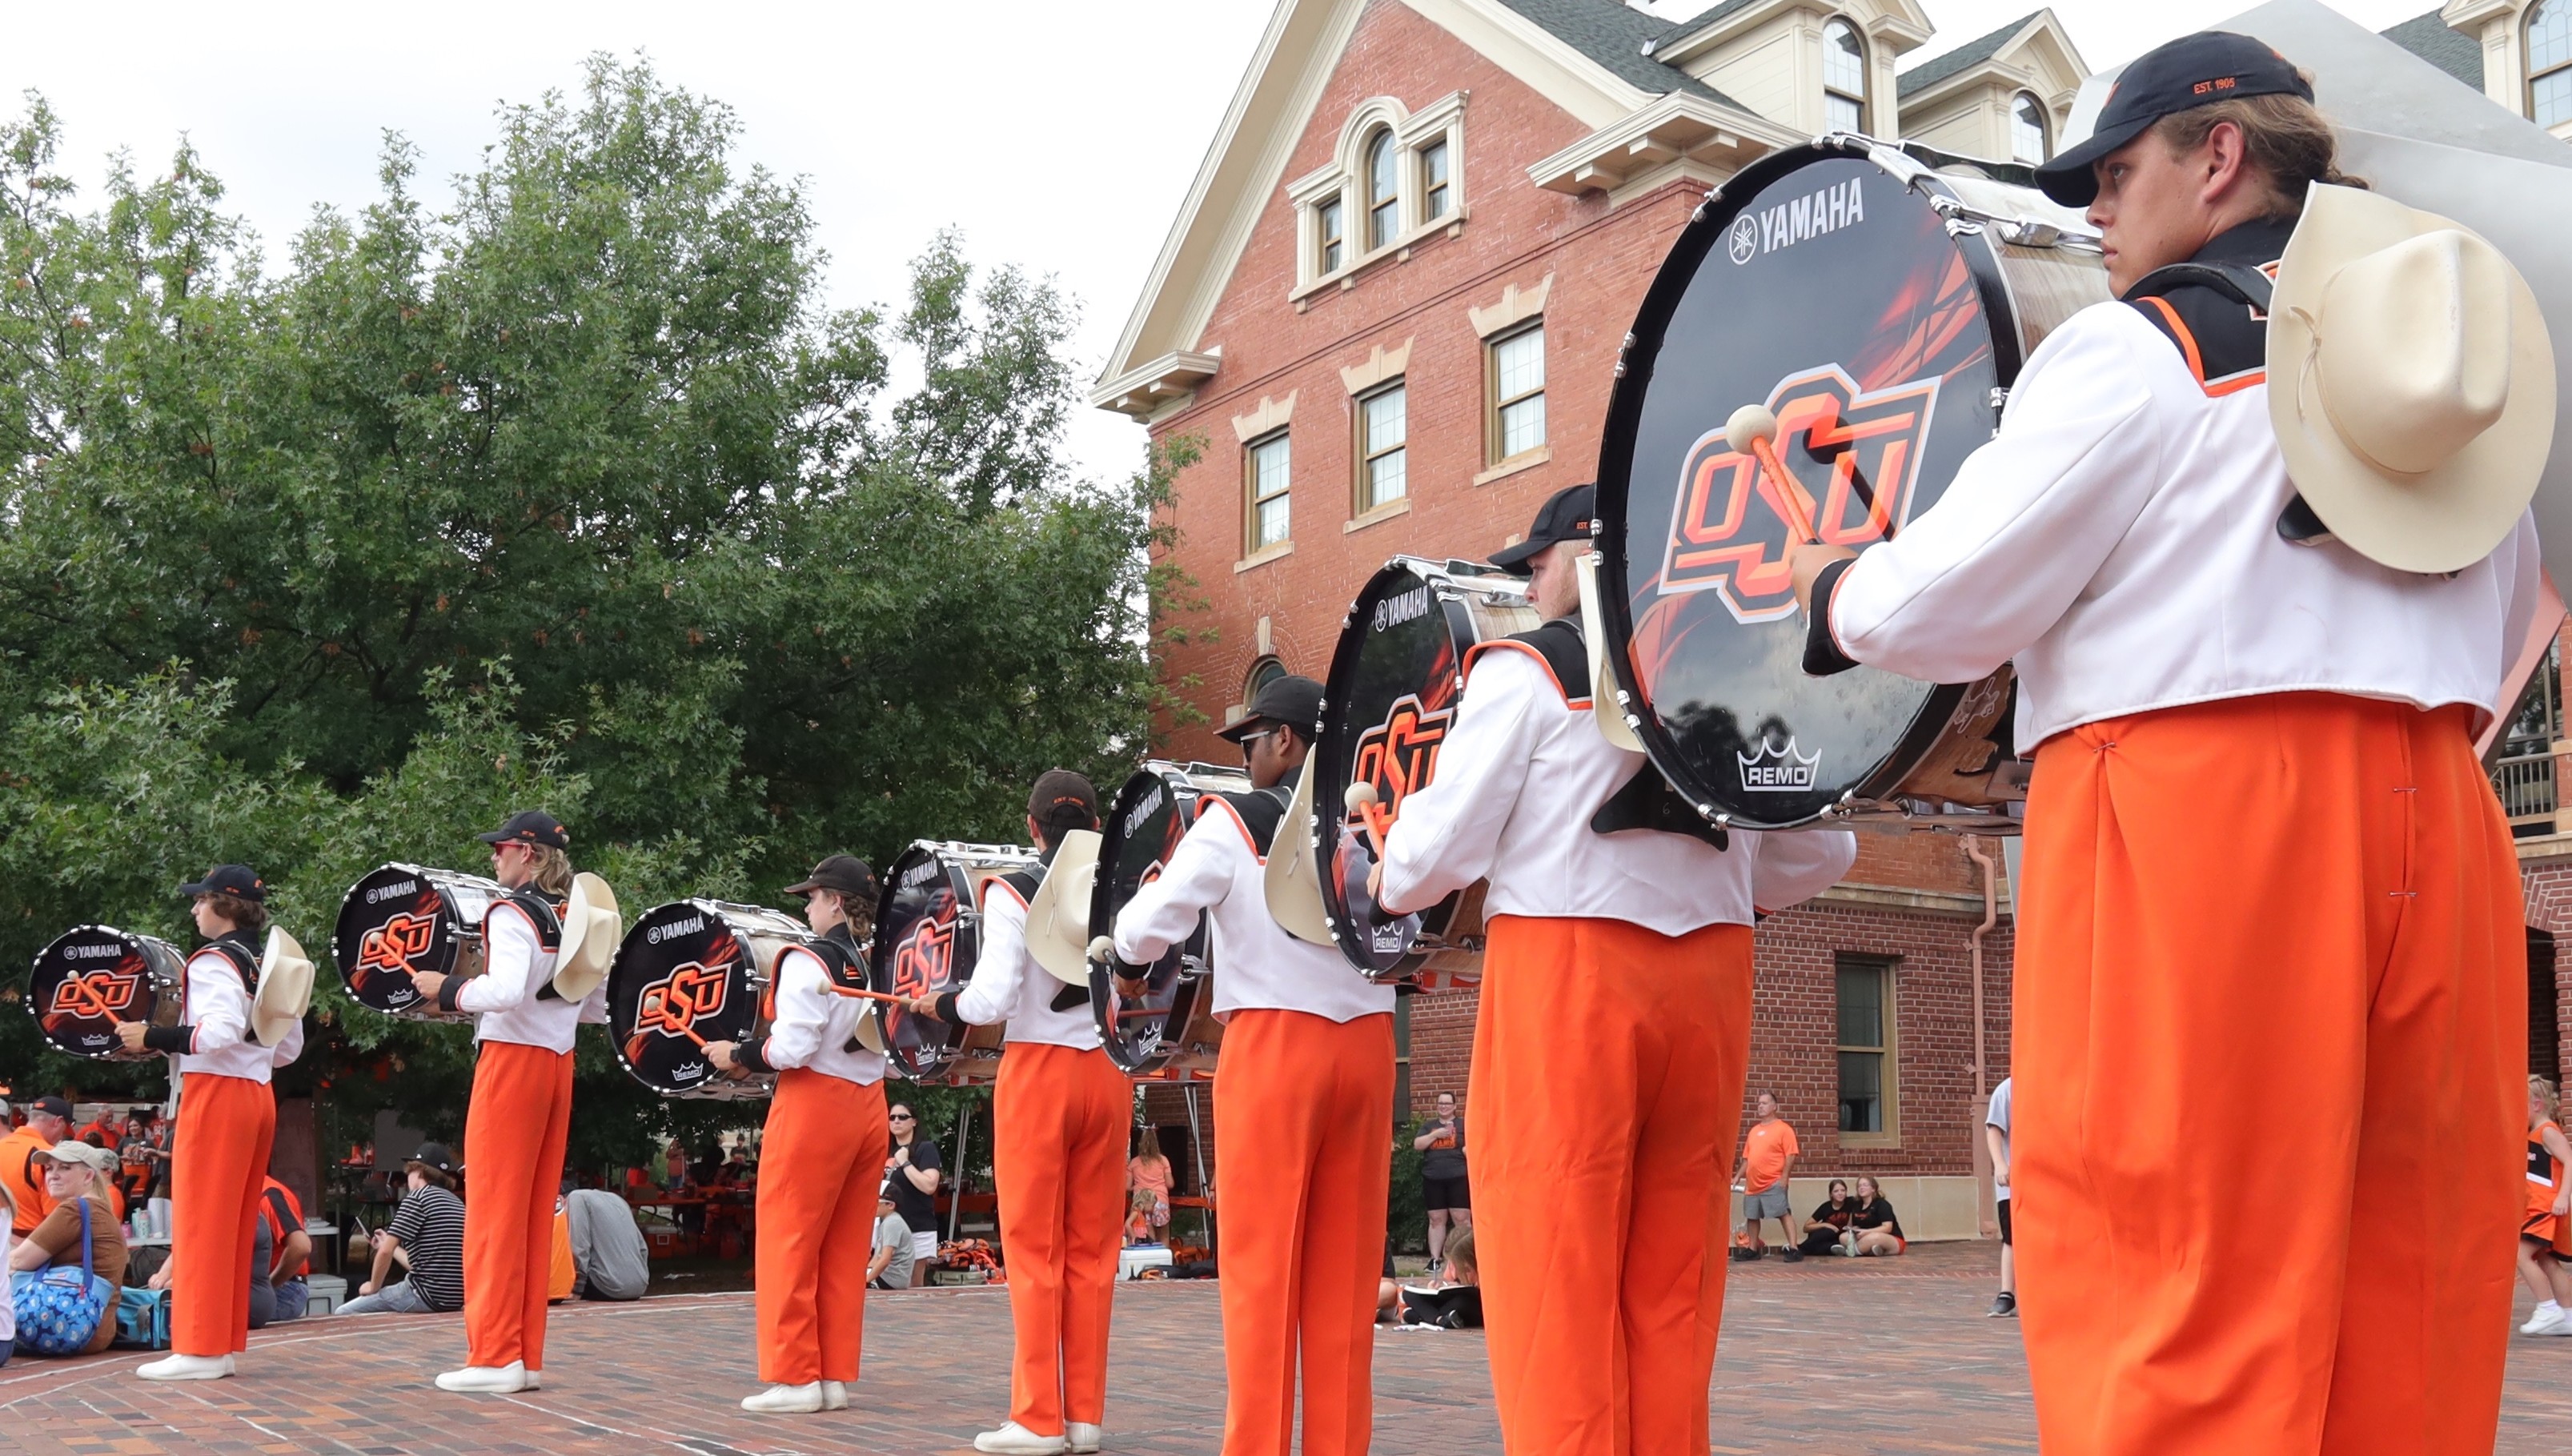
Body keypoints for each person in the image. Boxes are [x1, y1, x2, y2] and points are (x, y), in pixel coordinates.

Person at [1788, 31, 2539, 1454]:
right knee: (2416, 1280)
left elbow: (1944, 600)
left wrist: (1838, 590)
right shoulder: (2454, 367)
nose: (2091, 211)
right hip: (2440, 813)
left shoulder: (2142, 347)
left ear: (2217, 155)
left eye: (2114, 172)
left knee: (2171, 1272)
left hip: (2193, 813)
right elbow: (2508, 610)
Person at [1375, 484, 1855, 1456]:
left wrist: (1378, 852)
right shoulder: (1732, 664)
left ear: (1574, 559)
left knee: (1555, 1277)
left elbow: (1431, 862)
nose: (1529, 583)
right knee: (1674, 1286)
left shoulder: (1530, 668)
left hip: (1569, 972)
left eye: (1534, 564)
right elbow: (1825, 849)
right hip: (1714, 980)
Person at [1114, 673, 1400, 1456]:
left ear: (1289, 741)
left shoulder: (1229, 821)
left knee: (1261, 1279)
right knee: (1345, 1289)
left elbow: (1148, 928)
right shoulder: (1376, 809)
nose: (1244, 760)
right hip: (1372, 1047)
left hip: (1276, 1048)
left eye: (1251, 742)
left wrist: (1122, 936)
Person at [913, 770, 1127, 1456]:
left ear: (1031, 827)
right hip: (1109, 1070)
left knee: (1034, 1251)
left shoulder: (1011, 886)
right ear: (1094, 825)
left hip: (1039, 1069)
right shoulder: (1125, 886)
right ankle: (1085, 1417)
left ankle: (1038, 1416)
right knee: (1095, 1252)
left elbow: (992, 998)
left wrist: (942, 1005)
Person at [406, 811, 607, 1394]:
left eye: (502, 849)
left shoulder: (511, 910)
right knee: (529, 1214)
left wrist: (447, 990)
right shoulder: (570, 916)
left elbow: (504, 990)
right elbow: (593, 1003)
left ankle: (493, 1355)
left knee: (494, 1212)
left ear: (531, 854)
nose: (494, 857)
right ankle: (522, 1354)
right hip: (557, 1062)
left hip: (514, 1060)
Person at [704, 852, 891, 1415]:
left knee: (789, 1238)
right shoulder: (882, 961)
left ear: (835, 901)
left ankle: (793, 1375)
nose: (806, 906)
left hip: (816, 1104)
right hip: (870, 1104)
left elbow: (791, 1048)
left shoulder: (807, 960)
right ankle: (831, 1374)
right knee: (842, 1247)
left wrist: (736, 1053)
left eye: (811, 896)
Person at [117, 865, 298, 1382]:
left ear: (226, 906)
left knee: (200, 1222)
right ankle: (215, 1344)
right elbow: (288, 1048)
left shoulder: (215, 959)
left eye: (201, 901)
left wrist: (154, 1036)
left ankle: (198, 1347)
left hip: (218, 1095)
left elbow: (215, 1032)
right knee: (234, 1224)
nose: (194, 909)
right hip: (258, 1093)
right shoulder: (267, 961)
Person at [7, 1141, 129, 1354]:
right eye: (50, 1168)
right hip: (92, 1329)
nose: (53, 1175)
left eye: (65, 1167)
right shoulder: (100, 1209)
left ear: (89, 1176)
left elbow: (18, 1261)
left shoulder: (74, 1209)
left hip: (67, 1325)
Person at [341, 1144, 468, 1315]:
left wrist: (373, 1286)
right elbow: (420, 1265)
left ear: (419, 1172)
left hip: (422, 1294)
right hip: (454, 1298)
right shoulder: (457, 1203)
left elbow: (386, 1252)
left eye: (409, 1172)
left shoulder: (417, 1198)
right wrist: (385, 1243)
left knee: (344, 1312)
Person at [2520, 1077, 2572, 1335]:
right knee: (2548, 1260)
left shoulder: (2548, 1131)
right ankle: (2568, 1316)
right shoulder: (2533, 1134)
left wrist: (2563, 1196)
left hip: (2545, 1207)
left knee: (2520, 1254)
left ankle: (2547, 1307)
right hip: (2539, 1205)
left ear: (2537, 1104)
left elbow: (2570, 1161)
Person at [1733, 1093, 1800, 1263]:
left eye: (1764, 1103)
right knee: (1752, 1216)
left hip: (1773, 1181)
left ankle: (1794, 1248)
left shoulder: (1784, 1129)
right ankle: (1752, 1249)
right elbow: (1747, 1158)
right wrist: (1738, 1176)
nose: (1760, 1107)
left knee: (1783, 1213)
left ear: (1774, 1106)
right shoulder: (1754, 1131)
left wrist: (1784, 1178)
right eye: (1759, 1104)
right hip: (1753, 1184)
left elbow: (1791, 1155)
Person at [884, 1103, 942, 1283]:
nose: (896, 1121)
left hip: (917, 1226)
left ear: (914, 1122)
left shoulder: (925, 1149)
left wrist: (905, 1163)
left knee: (913, 1283)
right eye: (892, 1117)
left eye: (902, 1117)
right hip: (887, 1228)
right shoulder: (884, 1150)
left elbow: (929, 1185)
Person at [1381, 1226, 1482, 1329]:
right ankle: (1439, 1319)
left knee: (1462, 1302)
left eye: (1467, 1269)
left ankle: (1424, 1317)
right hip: (1449, 1304)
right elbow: (1451, 1280)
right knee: (1408, 1294)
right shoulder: (1456, 1261)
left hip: (1470, 1305)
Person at [1413, 1092, 1470, 1273]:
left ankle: (1465, 1258)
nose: (1443, 1106)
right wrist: (1436, 1134)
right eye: (1440, 1103)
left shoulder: (1463, 1125)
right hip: (1433, 1178)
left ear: (1454, 1106)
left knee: (1462, 1219)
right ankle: (1435, 1260)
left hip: (1458, 1177)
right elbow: (1418, 1145)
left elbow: (1475, 1144)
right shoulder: (1429, 1126)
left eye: (1447, 1103)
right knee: (1436, 1219)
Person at [564, 1187, 650, 1302]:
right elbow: (643, 1248)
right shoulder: (618, 1200)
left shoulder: (576, 1198)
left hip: (606, 1288)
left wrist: (577, 1289)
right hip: (639, 1286)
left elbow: (579, 1246)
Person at [2, 1096, 70, 1235]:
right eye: (64, 1129)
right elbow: (55, 1217)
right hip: (30, 1241)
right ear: (58, 1122)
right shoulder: (49, 1156)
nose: (62, 1136)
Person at [257, 1176, 313, 1322]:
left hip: (286, 1288)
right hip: (273, 1286)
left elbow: (300, 1246)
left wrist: (268, 1286)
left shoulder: (268, 1195)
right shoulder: (260, 1192)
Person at [1985, 1077, 2016, 1318]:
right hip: (2014, 1183)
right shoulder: (2007, 1089)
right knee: (2012, 1238)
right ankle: (2006, 1293)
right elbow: (1994, 1128)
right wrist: (2000, 1164)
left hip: (2050, 1181)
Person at [1126, 1133, 1174, 1244]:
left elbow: (1127, 1187)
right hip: (1159, 1201)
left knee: (1147, 1234)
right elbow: (1170, 1184)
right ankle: (1163, 1260)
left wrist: (1138, 1186)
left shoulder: (1134, 1162)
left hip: (1141, 1203)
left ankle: (1147, 1257)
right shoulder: (1163, 1160)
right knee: (1164, 1235)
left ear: (1140, 1145)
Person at [1796, 1180, 1860, 1258]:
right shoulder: (1825, 1207)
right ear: (1831, 1194)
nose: (1840, 1193)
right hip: (1823, 1237)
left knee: (1834, 1247)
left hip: (1837, 1240)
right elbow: (1806, 1228)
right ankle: (1798, 1249)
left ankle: (1797, 1249)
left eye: (1843, 1190)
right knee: (1829, 1232)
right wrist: (1826, 1225)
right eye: (1836, 1191)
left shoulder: (1851, 1202)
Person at [1848, 1177, 1904, 1257]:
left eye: (1865, 1185)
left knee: (1874, 1237)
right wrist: (1855, 1229)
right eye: (1859, 1186)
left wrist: (1866, 1232)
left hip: (1891, 1239)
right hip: (1864, 1236)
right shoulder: (1856, 1205)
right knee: (1843, 1237)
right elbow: (1851, 1226)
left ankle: (1852, 1252)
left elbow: (1887, 1228)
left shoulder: (1882, 1204)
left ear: (1873, 1189)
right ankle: (1874, 1251)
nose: (1862, 1188)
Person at [870, 1190, 915, 1291]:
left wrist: (866, 1279)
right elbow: (877, 1257)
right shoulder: (889, 1221)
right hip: (891, 1277)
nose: (874, 1205)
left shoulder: (892, 1223)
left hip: (891, 1279)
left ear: (890, 1205)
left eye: (878, 1202)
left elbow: (885, 1259)